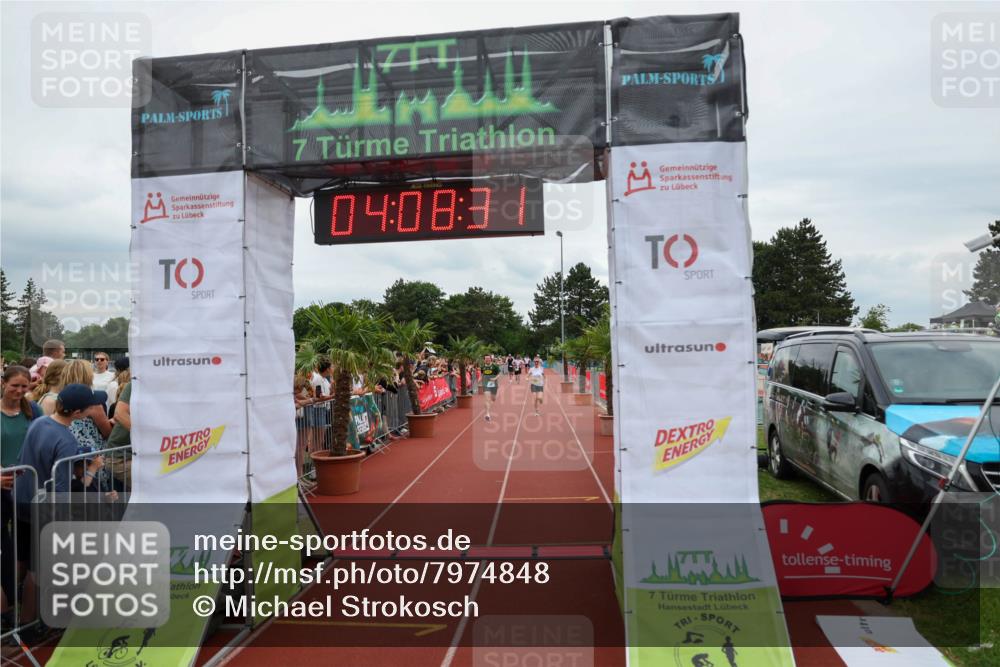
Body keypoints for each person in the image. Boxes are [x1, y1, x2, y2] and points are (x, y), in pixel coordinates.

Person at [15, 384, 106, 627]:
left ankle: (12, 612)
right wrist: (92, 470)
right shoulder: (66, 440)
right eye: (90, 406)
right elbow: (63, 490)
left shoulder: (40, 422)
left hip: (22, 499)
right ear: (77, 413)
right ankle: (28, 624)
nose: (94, 409)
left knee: (21, 557)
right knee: (39, 569)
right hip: (44, 507)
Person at [1, 366, 42, 627]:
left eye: (23, 387)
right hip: (2, 489)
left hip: (28, 489)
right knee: (5, 547)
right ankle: (7, 607)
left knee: (23, 547)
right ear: (3, 383)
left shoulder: (33, 410)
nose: (19, 391)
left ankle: (18, 604)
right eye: (14, 385)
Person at [480, 354, 502, 421]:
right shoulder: (483, 367)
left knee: (493, 399)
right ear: (484, 359)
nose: (487, 360)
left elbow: (499, 373)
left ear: (490, 359)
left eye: (488, 358)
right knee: (487, 399)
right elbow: (482, 374)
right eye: (486, 358)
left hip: (493, 384)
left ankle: (488, 406)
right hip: (486, 384)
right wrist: (480, 379)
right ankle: (487, 414)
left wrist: (495, 378)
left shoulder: (495, 366)